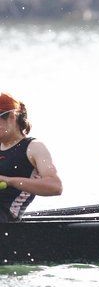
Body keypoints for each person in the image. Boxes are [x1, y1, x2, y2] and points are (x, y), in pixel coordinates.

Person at [0, 93, 62, 222]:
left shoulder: (34, 148)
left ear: (11, 117)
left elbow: (55, 186)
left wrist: (9, 181)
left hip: (5, 217)